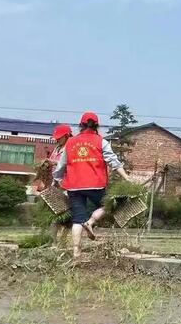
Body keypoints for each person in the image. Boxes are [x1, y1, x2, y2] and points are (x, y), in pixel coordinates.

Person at [52, 112, 130, 261]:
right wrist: (127, 178)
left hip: (74, 186)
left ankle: (76, 253)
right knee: (110, 205)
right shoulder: (101, 141)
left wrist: (56, 181)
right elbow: (113, 161)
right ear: (97, 125)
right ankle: (91, 222)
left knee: (77, 219)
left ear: (81, 125)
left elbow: (61, 167)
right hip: (95, 184)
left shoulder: (70, 143)